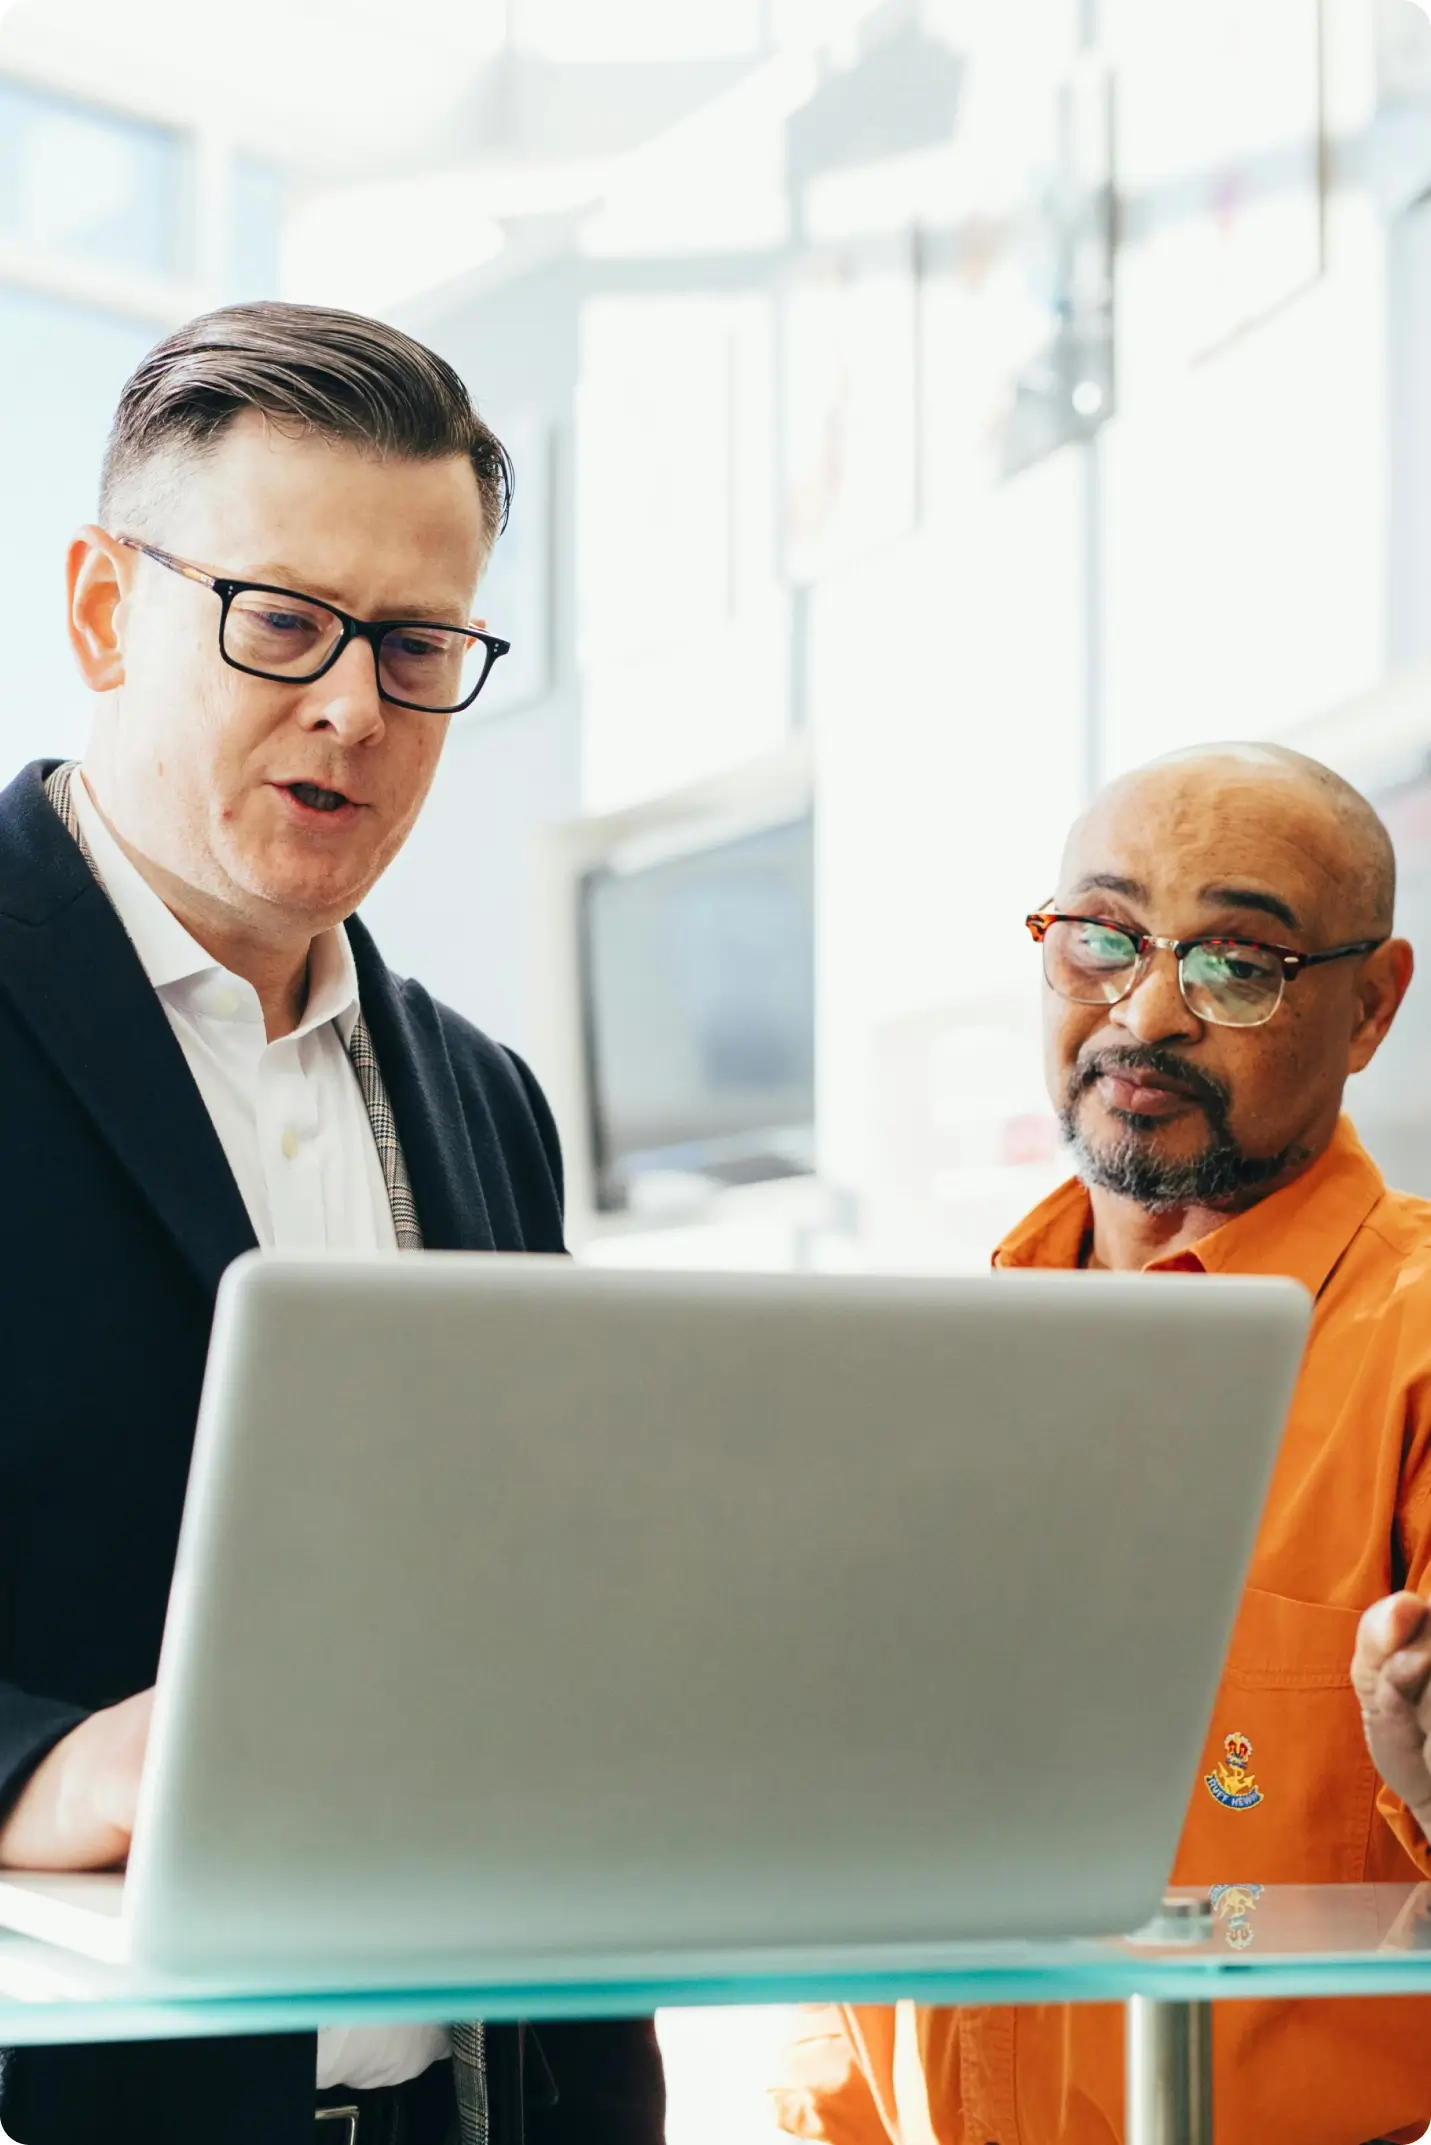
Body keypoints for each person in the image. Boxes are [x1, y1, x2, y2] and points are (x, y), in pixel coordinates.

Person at [0, 302, 664, 2145]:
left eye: (419, 643)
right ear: (102, 611)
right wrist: (42, 1765)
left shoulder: (484, 1100)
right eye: (280, 622)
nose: (355, 708)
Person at [770, 742, 1431, 2145]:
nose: (1143, 1013)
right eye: (1097, 942)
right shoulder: (954, 1359)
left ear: (1369, 1005)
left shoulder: (1416, 1345)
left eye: (1235, 964)